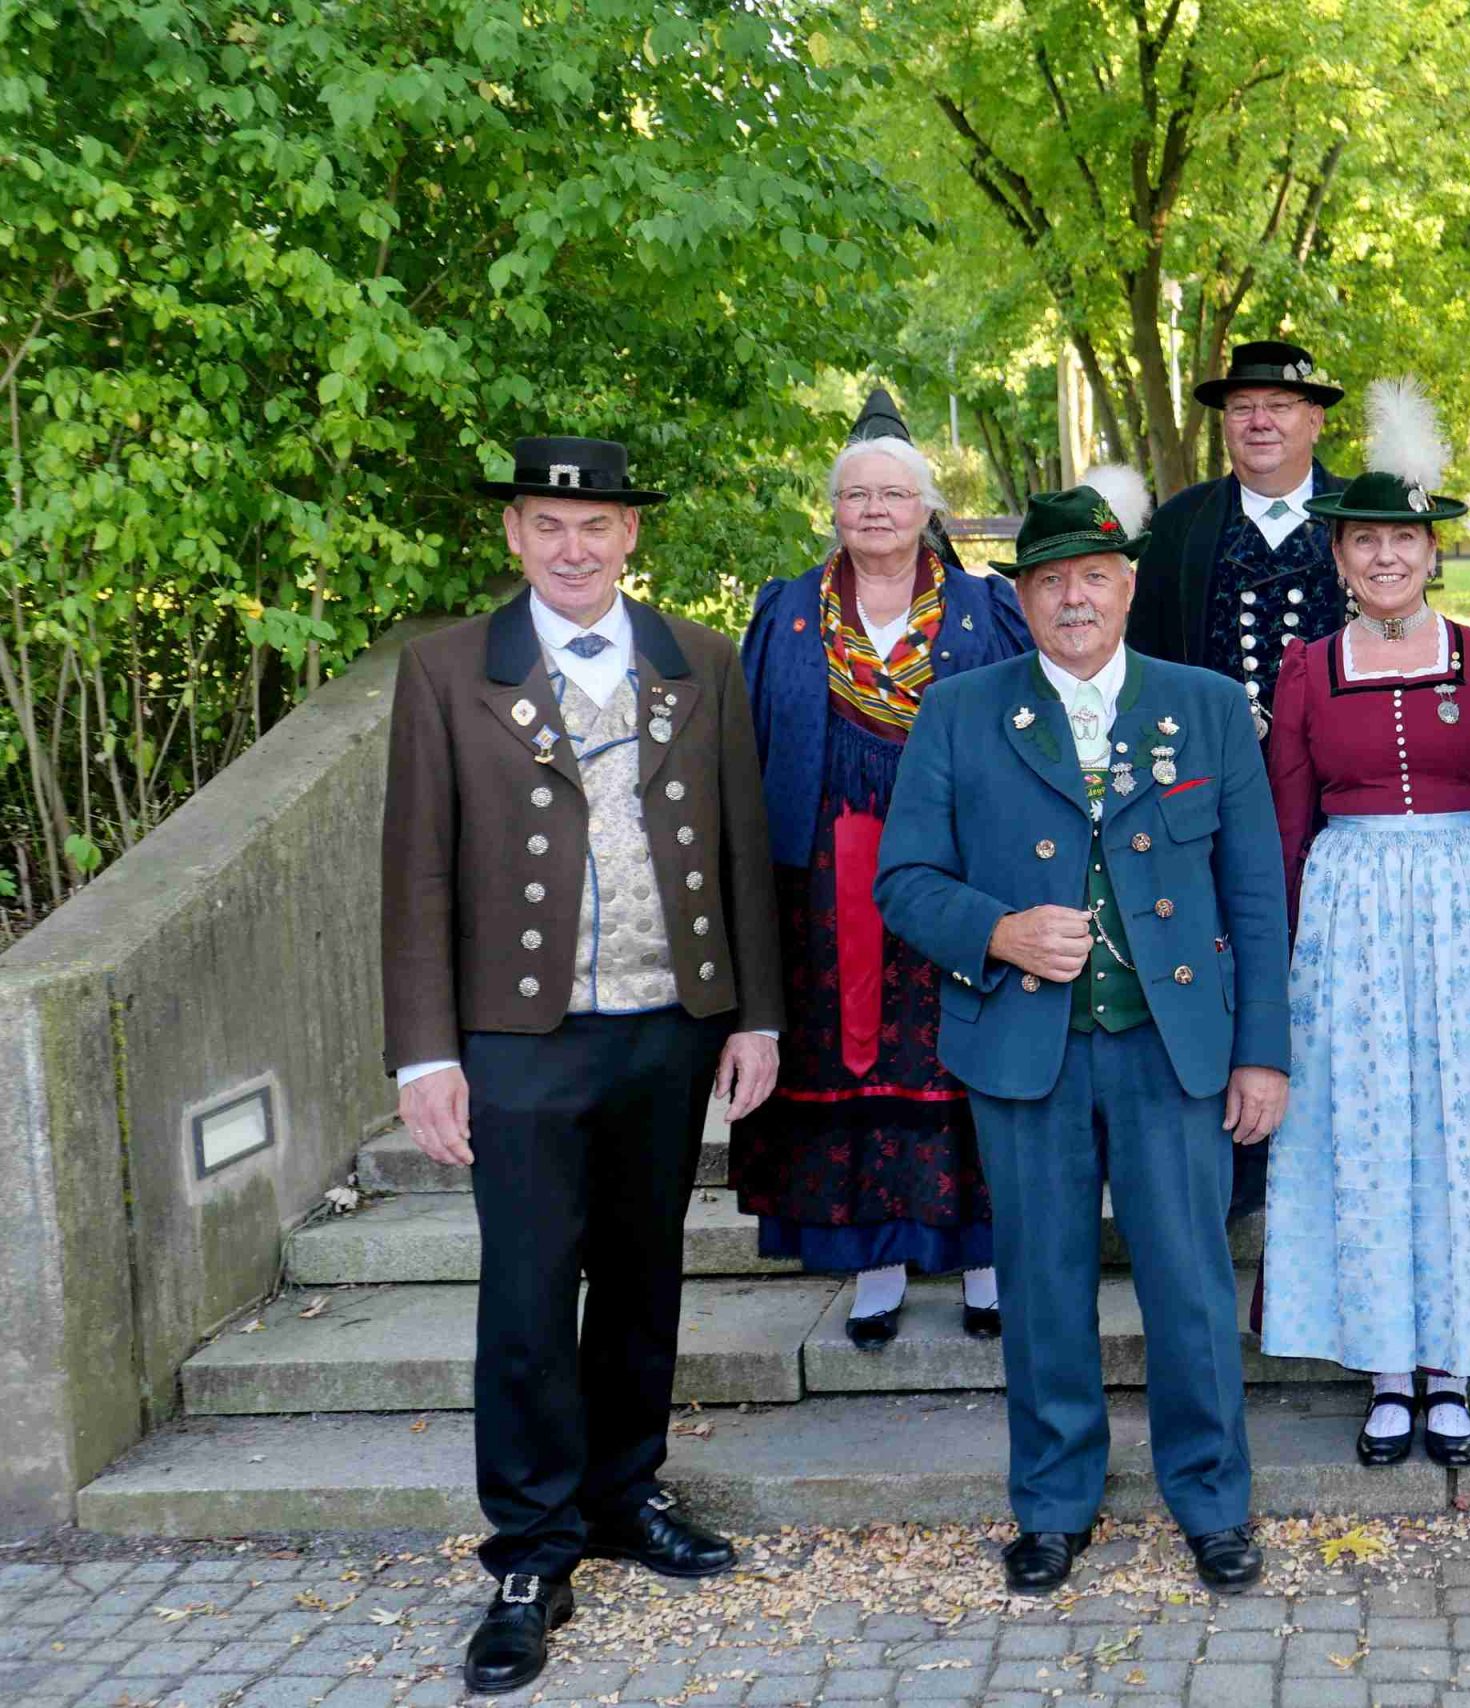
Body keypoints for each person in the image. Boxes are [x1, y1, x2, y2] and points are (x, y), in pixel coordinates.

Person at [381, 436, 783, 1695]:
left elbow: (743, 840)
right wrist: (424, 1054)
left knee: (643, 1273)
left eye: (595, 525)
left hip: (669, 1021)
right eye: (548, 524)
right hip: (520, 1037)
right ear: (513, 533)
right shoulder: (447, 670)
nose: (572, 547)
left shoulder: (700, 659)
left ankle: (623, 1492)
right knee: (528, 1287)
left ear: (629, 535)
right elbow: (416, 871)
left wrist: (757, 1016)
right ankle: (529, 1549)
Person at [875, 469, 1290, 1595]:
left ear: (1127, 586)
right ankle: (1053, 1503)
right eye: (1052, 581)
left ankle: (1212, 1501)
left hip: (1172, 1045)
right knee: (1041, 1282)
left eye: (1095, 577)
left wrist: (1261, 1051)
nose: (1074, 598)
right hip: (1024, 1047)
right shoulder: (961, 711)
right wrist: (997, 930)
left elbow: (1256, 895)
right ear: (1022, 598)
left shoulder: (1206, 705)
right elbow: (903, 879)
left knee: (1191, 1283)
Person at [1259, 380, 1470, 1471]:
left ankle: (1453, 1363)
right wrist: (1283, 959)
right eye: (1364, 542)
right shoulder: (1307, 670)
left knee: (1463, 1127)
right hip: (1349, 929)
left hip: (1467, 925)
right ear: (1339, 558)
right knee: (1365, 1127)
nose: (1385, 556)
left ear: (1432, 552)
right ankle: (1386, 1369)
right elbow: (1287, 822)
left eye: (1403, 540)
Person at [731, 408, 1030, 1348]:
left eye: (894, 494)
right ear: (832, 510)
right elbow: (749, 744)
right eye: (855, 494)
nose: (874, 510)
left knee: (963, 1044)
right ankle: (876, 1265)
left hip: (959, 863)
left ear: (927, 507)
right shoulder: (785, 612)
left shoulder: (988, 609)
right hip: (827, 877)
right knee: (845, 1052)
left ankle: (984, 1259)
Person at [1128, 338, 1348, 734]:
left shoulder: (1362, 517)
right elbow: (1145, 661)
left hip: (1338, 758)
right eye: (1242, 408)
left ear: (1315, 422)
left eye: (1279, 406)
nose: (1260, 422)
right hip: (1212, 757)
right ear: (1225, 423)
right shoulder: (1176, 525)